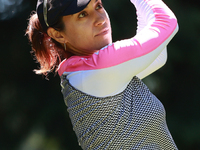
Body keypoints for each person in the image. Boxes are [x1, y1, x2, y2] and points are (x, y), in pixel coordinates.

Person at [26, 0, 179, 149]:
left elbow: (156, 56)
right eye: (82, 14)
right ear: (58, 35)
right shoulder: (98, 68)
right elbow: (166, 23)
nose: (100, 19)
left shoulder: (83, 71)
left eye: (98, 6)